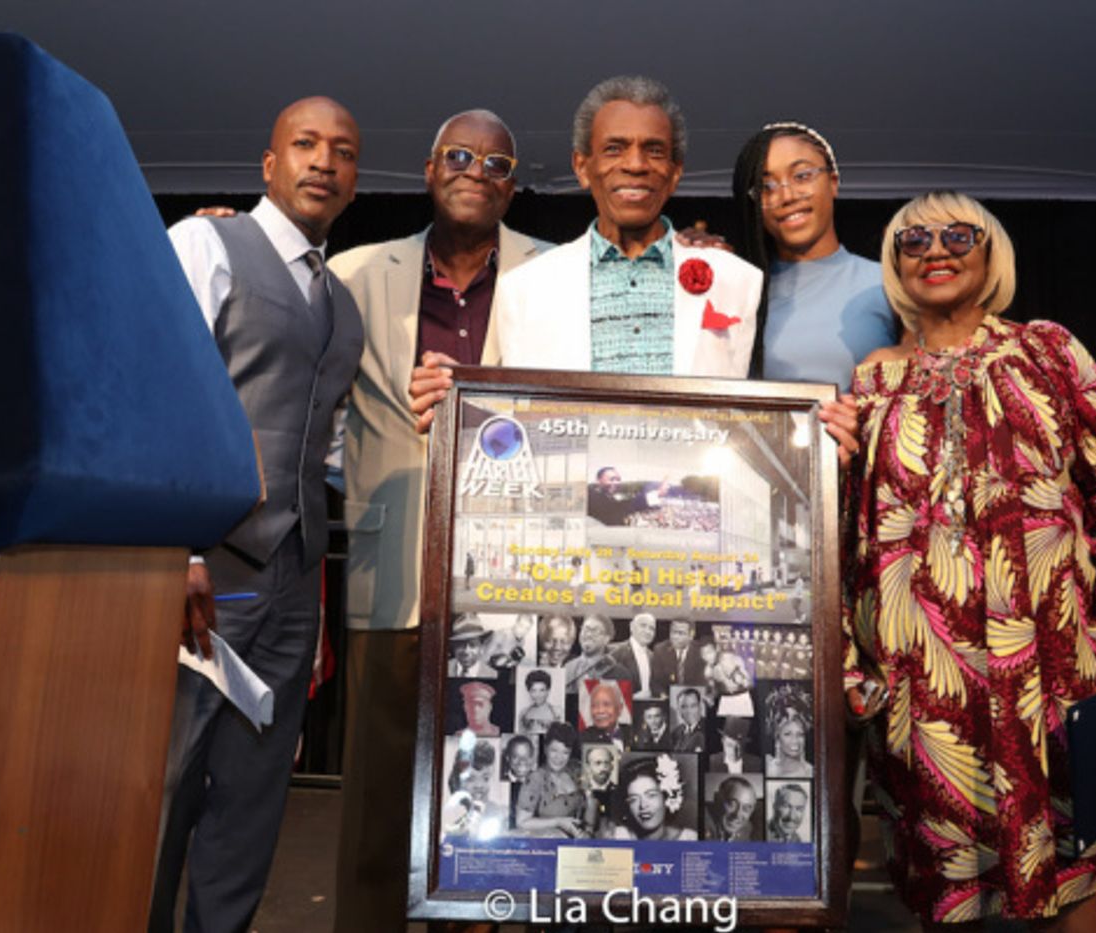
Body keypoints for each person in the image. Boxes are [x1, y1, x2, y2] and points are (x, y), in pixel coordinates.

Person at [842, 190, 1096, 929]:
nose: (936, 250)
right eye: (914, 240)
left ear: (991, 250)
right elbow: (850, 534)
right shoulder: (871, 382)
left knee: (1073, 874)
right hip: (925, 687)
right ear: (895, 265)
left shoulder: (1048, 351)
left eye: (958, 234)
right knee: (945, 891)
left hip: (1054, 668)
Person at [325, 109, 549, 933]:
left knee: (497, 804)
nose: (475, 170)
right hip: (394, 573)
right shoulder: (353, 271)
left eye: (496, 162)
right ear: (428, 169)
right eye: (459, 155)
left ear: (511, 185)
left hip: (515, 582)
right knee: (378, 806)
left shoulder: (551, 273)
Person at [152, 96, 363, 933]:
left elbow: (332, 443)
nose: (324, 161)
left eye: (343, 151)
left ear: (353, 179)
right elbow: (164, 394)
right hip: (207, 568)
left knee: (252, 799)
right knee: (166, 784)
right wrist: (176, 550)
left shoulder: (341, 302)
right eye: (304, 144)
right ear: (269, 164)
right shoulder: (206, 242)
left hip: (292, 576)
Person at [488, 75, 762, 377]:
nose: (635, 164)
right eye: (614, 149)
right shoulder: (525, 287)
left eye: (654, 150)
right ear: (582, 168)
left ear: (675, 174)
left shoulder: (736, 279)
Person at [730, 121, 896, 385]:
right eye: (766, 187)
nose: (786, 196)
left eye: (802, 176)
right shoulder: (739, 289)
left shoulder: (888, 285)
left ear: (833, 182)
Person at [515, 721, 593, 838]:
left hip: (578, 842)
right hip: (547, 846)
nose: (559, 758)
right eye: (554, 751)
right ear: (546, 749)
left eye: (565, 753)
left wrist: (588, 830)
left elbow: (591, 801)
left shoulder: (576, 770)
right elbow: (521, 822)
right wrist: (559, 822)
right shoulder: (536, 779)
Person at [610, 756, 697, 841]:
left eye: (651, 795)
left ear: (666, 797)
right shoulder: (617, 836)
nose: (643, 805)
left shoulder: (690, 839)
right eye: (633, 799)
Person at [441, 739, 504, 840]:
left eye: (485, 778)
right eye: (470, 779)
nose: (479, 785)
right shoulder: (446, 815)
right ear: (457, 780)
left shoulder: (500, 814)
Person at [563, 613, 633, 686]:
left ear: (606, 639)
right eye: (586, 629)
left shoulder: (621, 674)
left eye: (595, 631)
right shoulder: (566, 666)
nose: (589, 634)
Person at [587, 467, 668, 526]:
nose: (616, 483)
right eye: (612, 479)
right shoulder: (592, 496)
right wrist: (656, 494)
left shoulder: (607, 497)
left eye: (618, 480)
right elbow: (619, 507)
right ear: (598, 480)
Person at [650, 618, 706, 696]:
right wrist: (663, 696)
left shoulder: (701, 651)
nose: (675, 637)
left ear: (691, 635)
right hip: (668, 699)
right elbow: (655, 682)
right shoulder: (660, 650)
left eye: (681, 633)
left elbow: (704, 683)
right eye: (673, 632)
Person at [608, 611, 657, 697]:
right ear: (632, 627)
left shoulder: (653, 657)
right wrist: (632, 698)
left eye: (651, 628)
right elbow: (605, 689)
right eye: (643, 626)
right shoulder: (614, 651)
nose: (647, 631)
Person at [701, 640, 754, 716]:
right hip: (725, 700)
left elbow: (747, 682)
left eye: (709, 652)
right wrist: (711, 697)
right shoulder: (707, 670)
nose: (707, 656)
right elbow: (714, 689)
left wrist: (739, 677)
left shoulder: (727, 658)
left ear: (716, 650)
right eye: (704, 654)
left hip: (741, 698)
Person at [703, 776, 759, 842]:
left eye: (746, 808)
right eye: (732, 804)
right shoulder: (703, 821)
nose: (737, 815)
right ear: (717, 799)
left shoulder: (746, 828)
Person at [580, 680, 629, 746]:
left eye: (606, 704)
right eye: (595, 705)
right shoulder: (581, 740)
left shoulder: (631, 734)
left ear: (620, 709)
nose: (600, 710)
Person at [765, 709, 811, 778]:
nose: (795, 740)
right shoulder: (768, 769)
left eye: (800, 735)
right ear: (778, 739)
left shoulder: (811, 772)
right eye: (787, 734)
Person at [447, 613, 496, 678]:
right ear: (453, 646)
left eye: (472, 645)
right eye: (460, 644)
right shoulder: (443, 670)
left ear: (481, 647)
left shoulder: (492, 675)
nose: (466, 651)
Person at [518, 668, 559, 735]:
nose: (538, 695)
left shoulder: (558, 712)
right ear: (529, 691)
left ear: (548, 691)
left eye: (542, 690)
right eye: (533, 690)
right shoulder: (523, 713)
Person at [669, 687, 706, 753]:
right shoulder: (675, 733)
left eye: (693, 706)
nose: (689, 711)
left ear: (700, 707)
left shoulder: (708, 730)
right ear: (678, 709)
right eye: (684, 707)